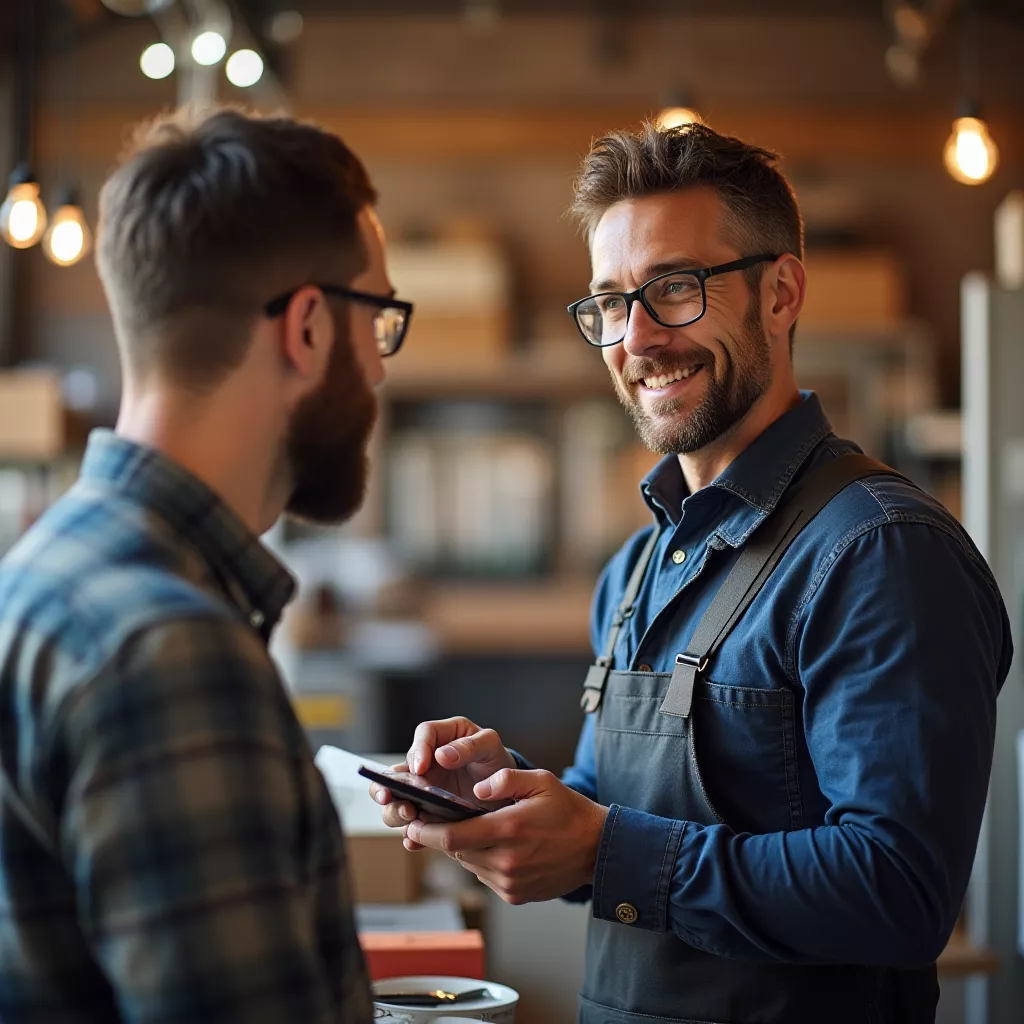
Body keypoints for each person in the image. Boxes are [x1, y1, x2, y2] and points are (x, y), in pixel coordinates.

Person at [371, 122, 1012, 1024]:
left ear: (781, 292)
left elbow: (900, 892)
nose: (637, 339)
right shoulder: (637, 567)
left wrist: (601, 851)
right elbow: (616, 817)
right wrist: (505, 799)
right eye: (610, 302)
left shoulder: (880, 552)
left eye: (674, 288)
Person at [0, 106, 413, 1022]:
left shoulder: (40, 578)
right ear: (307, 329)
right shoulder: (170, 652)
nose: (380, 373)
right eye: (378, 318)